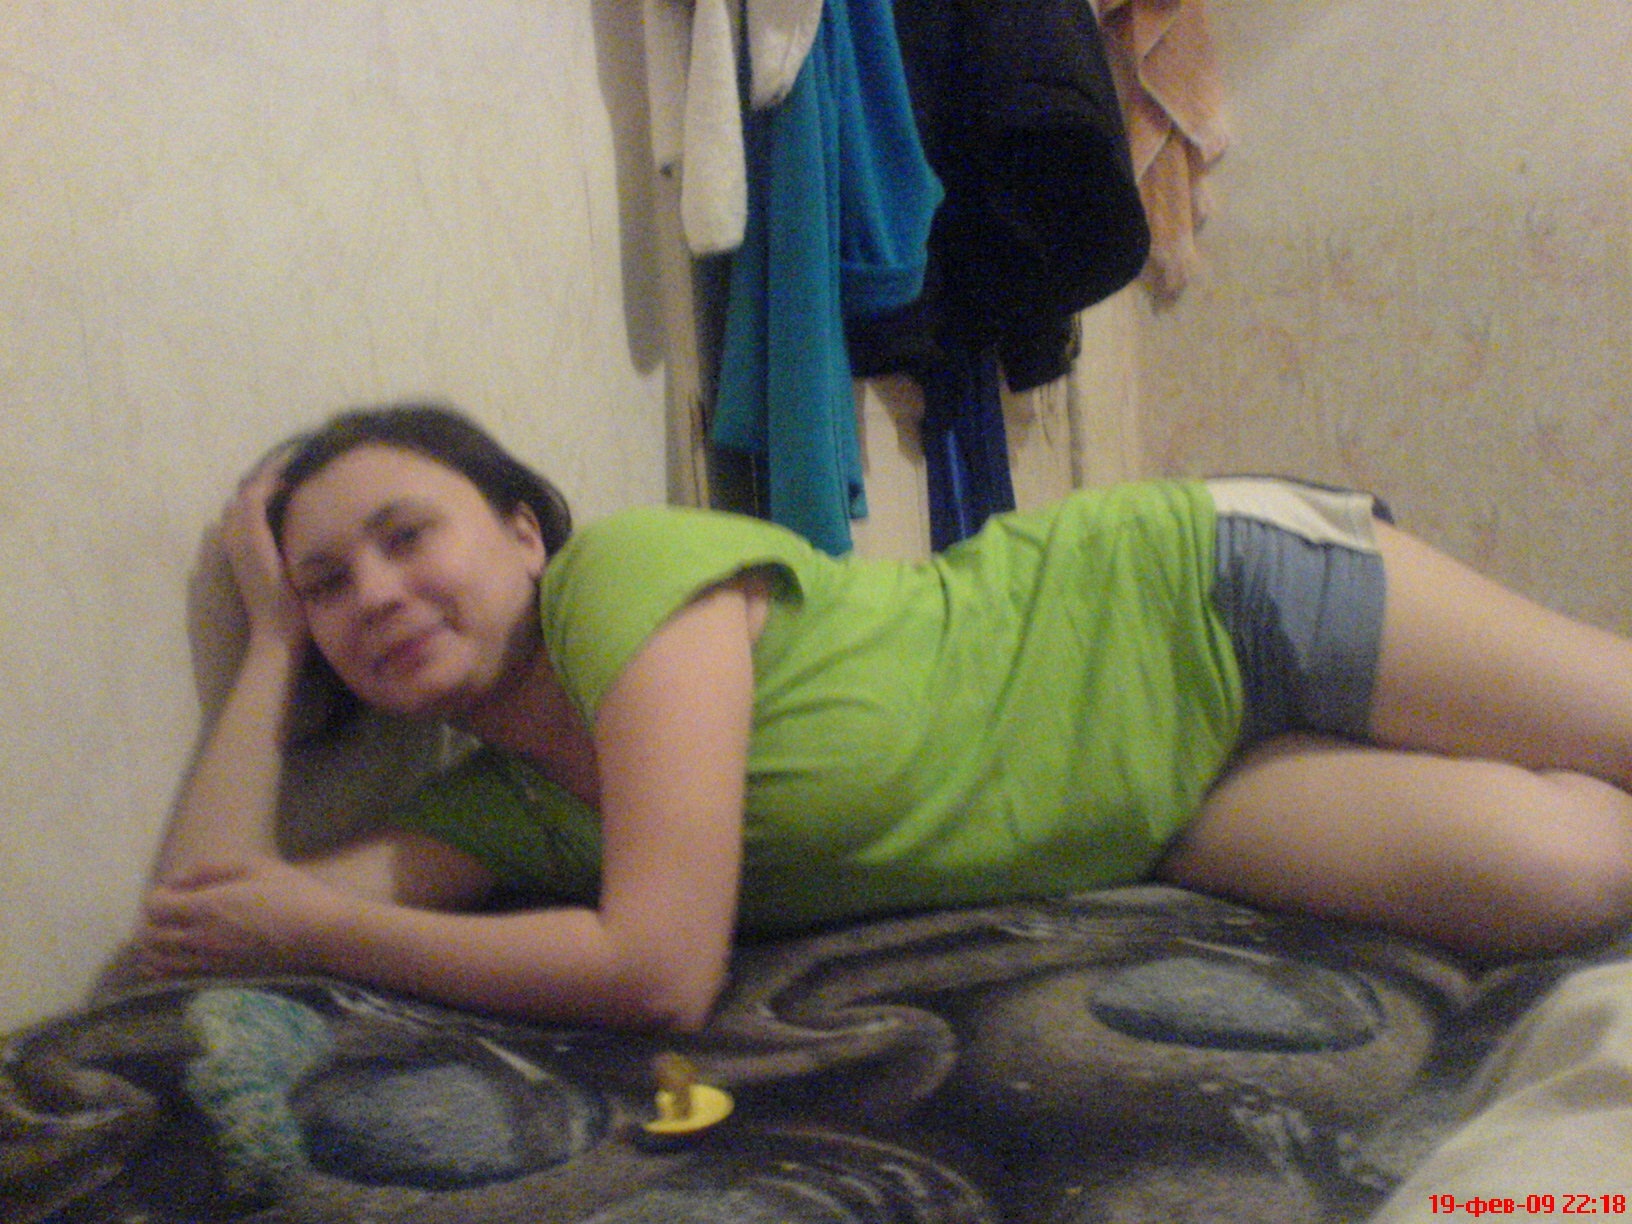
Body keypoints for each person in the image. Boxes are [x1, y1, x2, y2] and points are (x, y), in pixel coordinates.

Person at [135, 402, 1632, 1033]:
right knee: (1568, 874)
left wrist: (321, 929)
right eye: (329, 584)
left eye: (407, 536)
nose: (375, 594)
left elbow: (657, 970)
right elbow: (201, 919)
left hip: (1195, 595)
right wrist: (268, 645)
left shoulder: (627, 584)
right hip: (1170, 802)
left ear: (525, 533)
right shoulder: (504, 808)